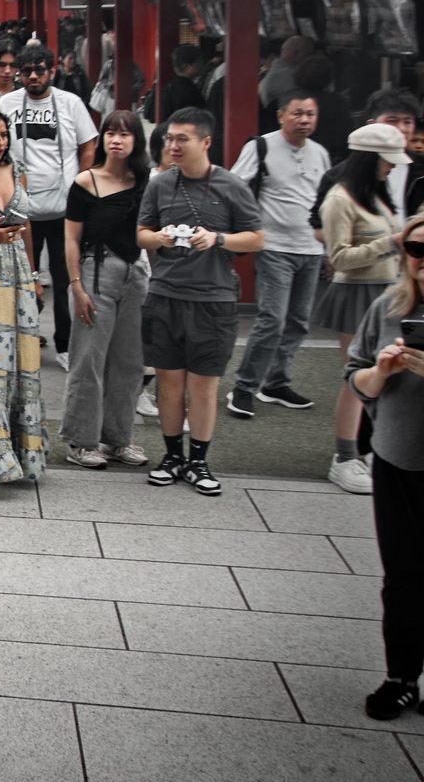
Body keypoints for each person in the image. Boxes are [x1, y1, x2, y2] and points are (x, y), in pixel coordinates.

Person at [136, 108, 263, 497]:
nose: (173, 146)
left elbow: (256, 238)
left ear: (206, 142)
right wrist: (158, 237)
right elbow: (141, 233)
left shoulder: (231, 185)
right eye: (170, 138)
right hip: (165, 294)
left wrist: (217, 238)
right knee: (169, 383)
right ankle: (172, 456)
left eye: (182, 139)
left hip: (213, 299)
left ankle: (199, 461)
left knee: (205, 385)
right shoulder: (160, 184)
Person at [344, 212, 424, 721]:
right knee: (403, 574)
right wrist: (381, 372)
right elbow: (355, 376)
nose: (423, 260)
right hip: (397, 457)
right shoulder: (389, 307)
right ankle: (401, 677)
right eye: (416, 249)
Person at [315, 124, 408, 495]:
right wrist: (392, 243)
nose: (393, 166)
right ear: (370, 159)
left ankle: (368, 449)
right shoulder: (340, 198)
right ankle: (344, 457)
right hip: (356, 292)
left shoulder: (376, 194)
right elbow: (339, 258)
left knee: (385, 376)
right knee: (356, 378)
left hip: (388, 291)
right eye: (387, 160)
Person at [0, 44, 98, 369]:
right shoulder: (6, 104)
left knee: (66, 278)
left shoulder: (70, 103)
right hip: (19, 209)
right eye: (27, 71)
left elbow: (88, 146)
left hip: (64, 208)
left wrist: (80, 186)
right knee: (21, 277)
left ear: (52, 71)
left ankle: (65, 344)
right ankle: (23, 339)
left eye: (40, 70)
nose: (33, 76)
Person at [227, 91, 329, 420]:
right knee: (272, 319)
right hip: (274, 247)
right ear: (281, 115)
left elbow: (325, 202)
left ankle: (276, 382)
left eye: (310, 114)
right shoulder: (261, 147)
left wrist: (329, 248)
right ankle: (244, 387)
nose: (304, 120)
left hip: (312, 248)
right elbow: (234, 187)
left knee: (298, 321)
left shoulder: (321, 153)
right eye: (297, 113)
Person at [61, 110, 149, 470]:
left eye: (124, 134)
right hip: (95, 272)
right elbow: (71, 238)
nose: (116, 140)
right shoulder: (86, 181)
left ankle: (117, 439)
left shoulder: (146, 181)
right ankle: (82, 442)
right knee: (88, 360)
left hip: (135, 274)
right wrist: (76, 286)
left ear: (136, 141)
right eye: (110, 133)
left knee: (129, 362)